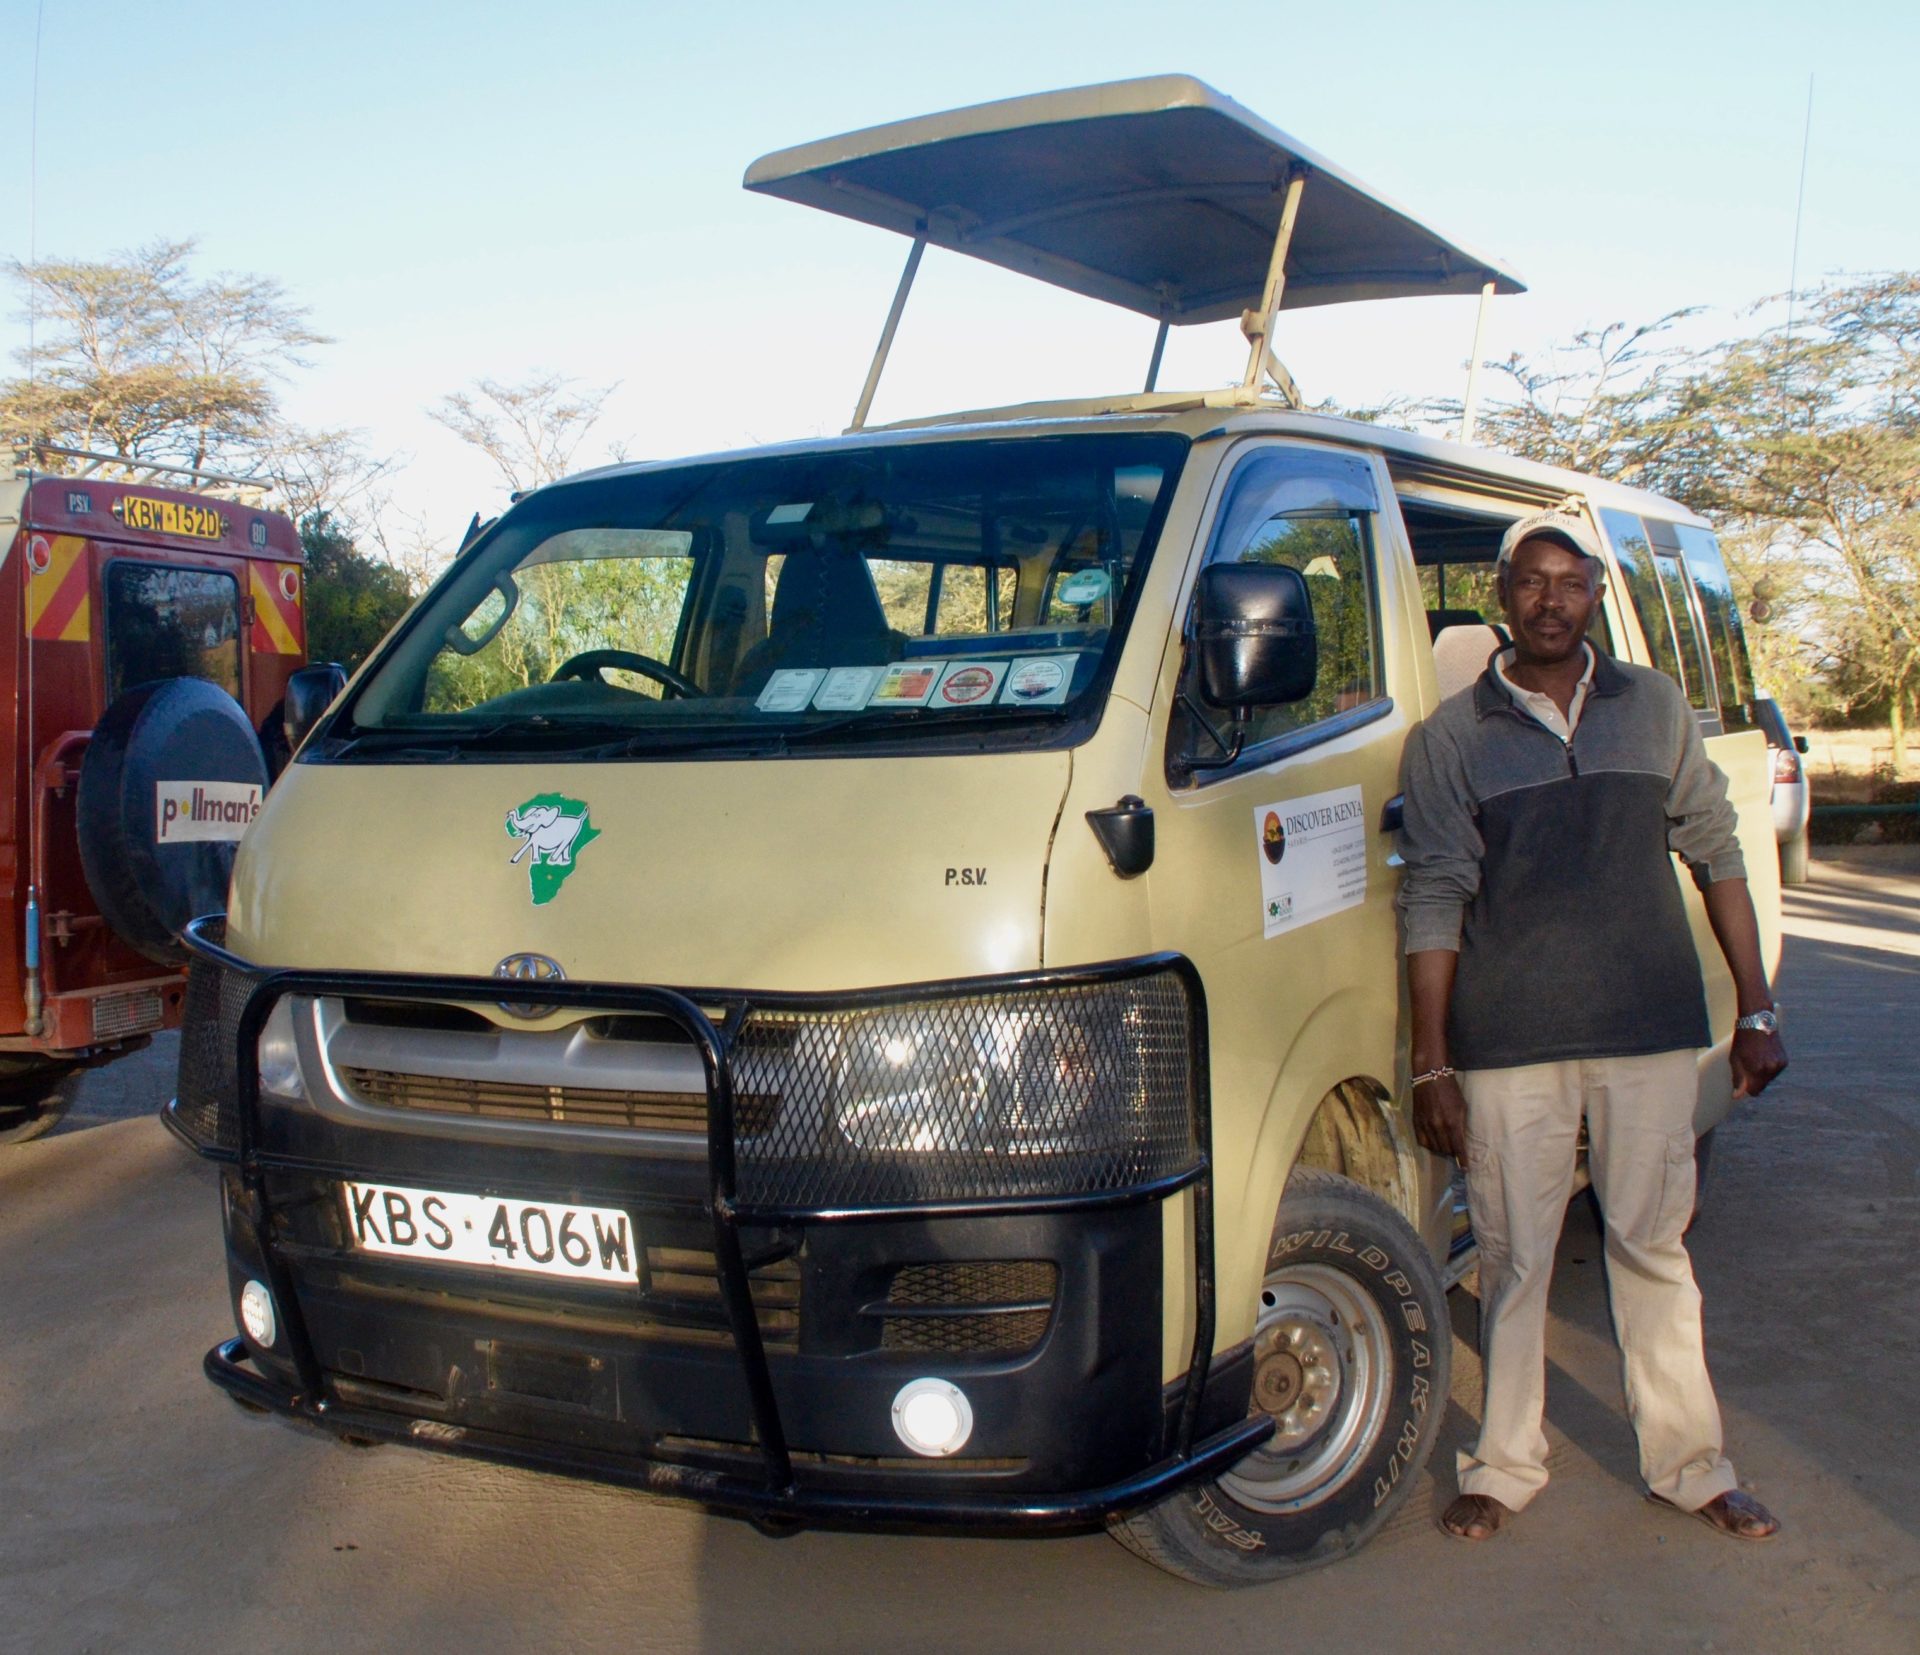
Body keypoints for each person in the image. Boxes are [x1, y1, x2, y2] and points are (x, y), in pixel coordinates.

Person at [1397, 506, 1788, 1544]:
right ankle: (1506, 1464)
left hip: (1647, 1025)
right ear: (1502, 597)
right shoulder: (1450, 738)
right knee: (1518, 1256)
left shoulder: (1653, 707)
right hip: (1508, 1037)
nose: (1552, 599)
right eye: (1533, 580)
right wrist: (1432, 1062)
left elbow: (1718, 854)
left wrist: (1756, 1005)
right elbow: (1433, 895)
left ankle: (1692, 1466)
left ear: (1595, 597)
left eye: (1571, 581)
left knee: (1651, 1247)